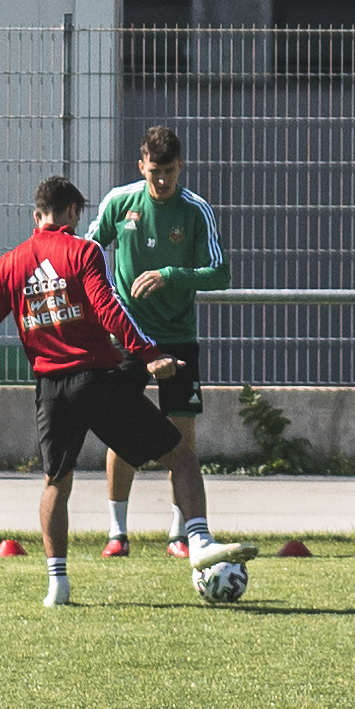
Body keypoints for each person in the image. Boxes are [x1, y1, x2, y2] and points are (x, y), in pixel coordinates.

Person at [0, 172, 176, 609]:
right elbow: (108, 308)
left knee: (56, 481)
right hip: (96, 380)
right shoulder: (84, 251)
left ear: (36, 216)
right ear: (72, 213)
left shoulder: (9, 263)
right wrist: (147, 354)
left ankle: (58, 584)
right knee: (176, 454)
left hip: (50, 387)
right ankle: (198, 543)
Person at [86, 125, 228, 561]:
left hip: (177, 339)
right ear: (141, 166)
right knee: (122, 435)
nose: (162, 181)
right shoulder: (120, 202)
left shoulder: (195, 211)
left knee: (181, 439)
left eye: (169, 171)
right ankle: (117, 531)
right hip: (127, 340)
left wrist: (170, 274)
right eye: (154, 173)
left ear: (180, 166)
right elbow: (86, 254)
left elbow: (220, 273)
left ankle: (180, 534)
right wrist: (106, 299)